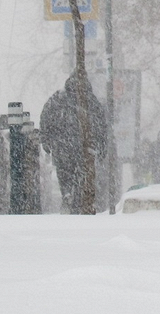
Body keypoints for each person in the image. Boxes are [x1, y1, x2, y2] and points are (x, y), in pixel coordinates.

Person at [39, 72, 114, 214]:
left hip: (61, 146)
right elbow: (101, 125)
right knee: (82, 175)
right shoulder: (91, 100)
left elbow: (45, 118)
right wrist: (101, 147)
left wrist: (46, 140)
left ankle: (67, 194)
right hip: (84, 147)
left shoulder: (57, 98)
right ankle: (79, 199)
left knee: (64, 174)